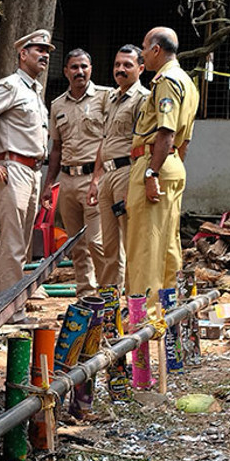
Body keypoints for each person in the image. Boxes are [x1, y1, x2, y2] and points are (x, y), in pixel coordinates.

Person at [0, 29, 53, 323]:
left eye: (47, 51)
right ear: (23, 54)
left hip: (32, 171)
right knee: (13, 244)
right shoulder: (11, 85)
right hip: (14, 168)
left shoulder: (34, 90)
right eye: (39, 50)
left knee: (19, 244)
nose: (44, 55)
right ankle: (11, 311)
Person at [126, 27, 199, 315]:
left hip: (153, 162)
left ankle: (143, 318)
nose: (142, 54)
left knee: (145, 247)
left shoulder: (166, 81)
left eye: (144, 48)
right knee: (168, 246)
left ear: (156, 50)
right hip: (172, 163)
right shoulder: (187, 82)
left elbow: (166, 132)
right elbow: (185, 140)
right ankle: (169, 313)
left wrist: (151, 173)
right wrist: (171, 165)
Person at [42, 49, 109, 297]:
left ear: (91, 69)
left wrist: (97, 179)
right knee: (76, 244)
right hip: (68, 181)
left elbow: (109, 140)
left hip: (95, 178)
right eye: (74, 67)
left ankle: (108, 295)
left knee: (97, 242)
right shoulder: (57, 105)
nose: (79, 72)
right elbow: (56, 148)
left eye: (84, 66)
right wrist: (49, 184)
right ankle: (85, 296)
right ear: (65, 71)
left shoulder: (105, 97)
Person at [87, 45, 149, 289]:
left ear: (140, 68)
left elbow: (143, 145)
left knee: (131, 242)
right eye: (117, 65)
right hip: (107, 175)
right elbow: (105, 140)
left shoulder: (143, 99)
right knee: (109, 244)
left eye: (127, 65)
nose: (120, 69)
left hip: (127, 173)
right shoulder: (111, 99)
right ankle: (109, 300)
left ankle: (134, 301)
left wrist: (135, 183)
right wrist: (95, 179)